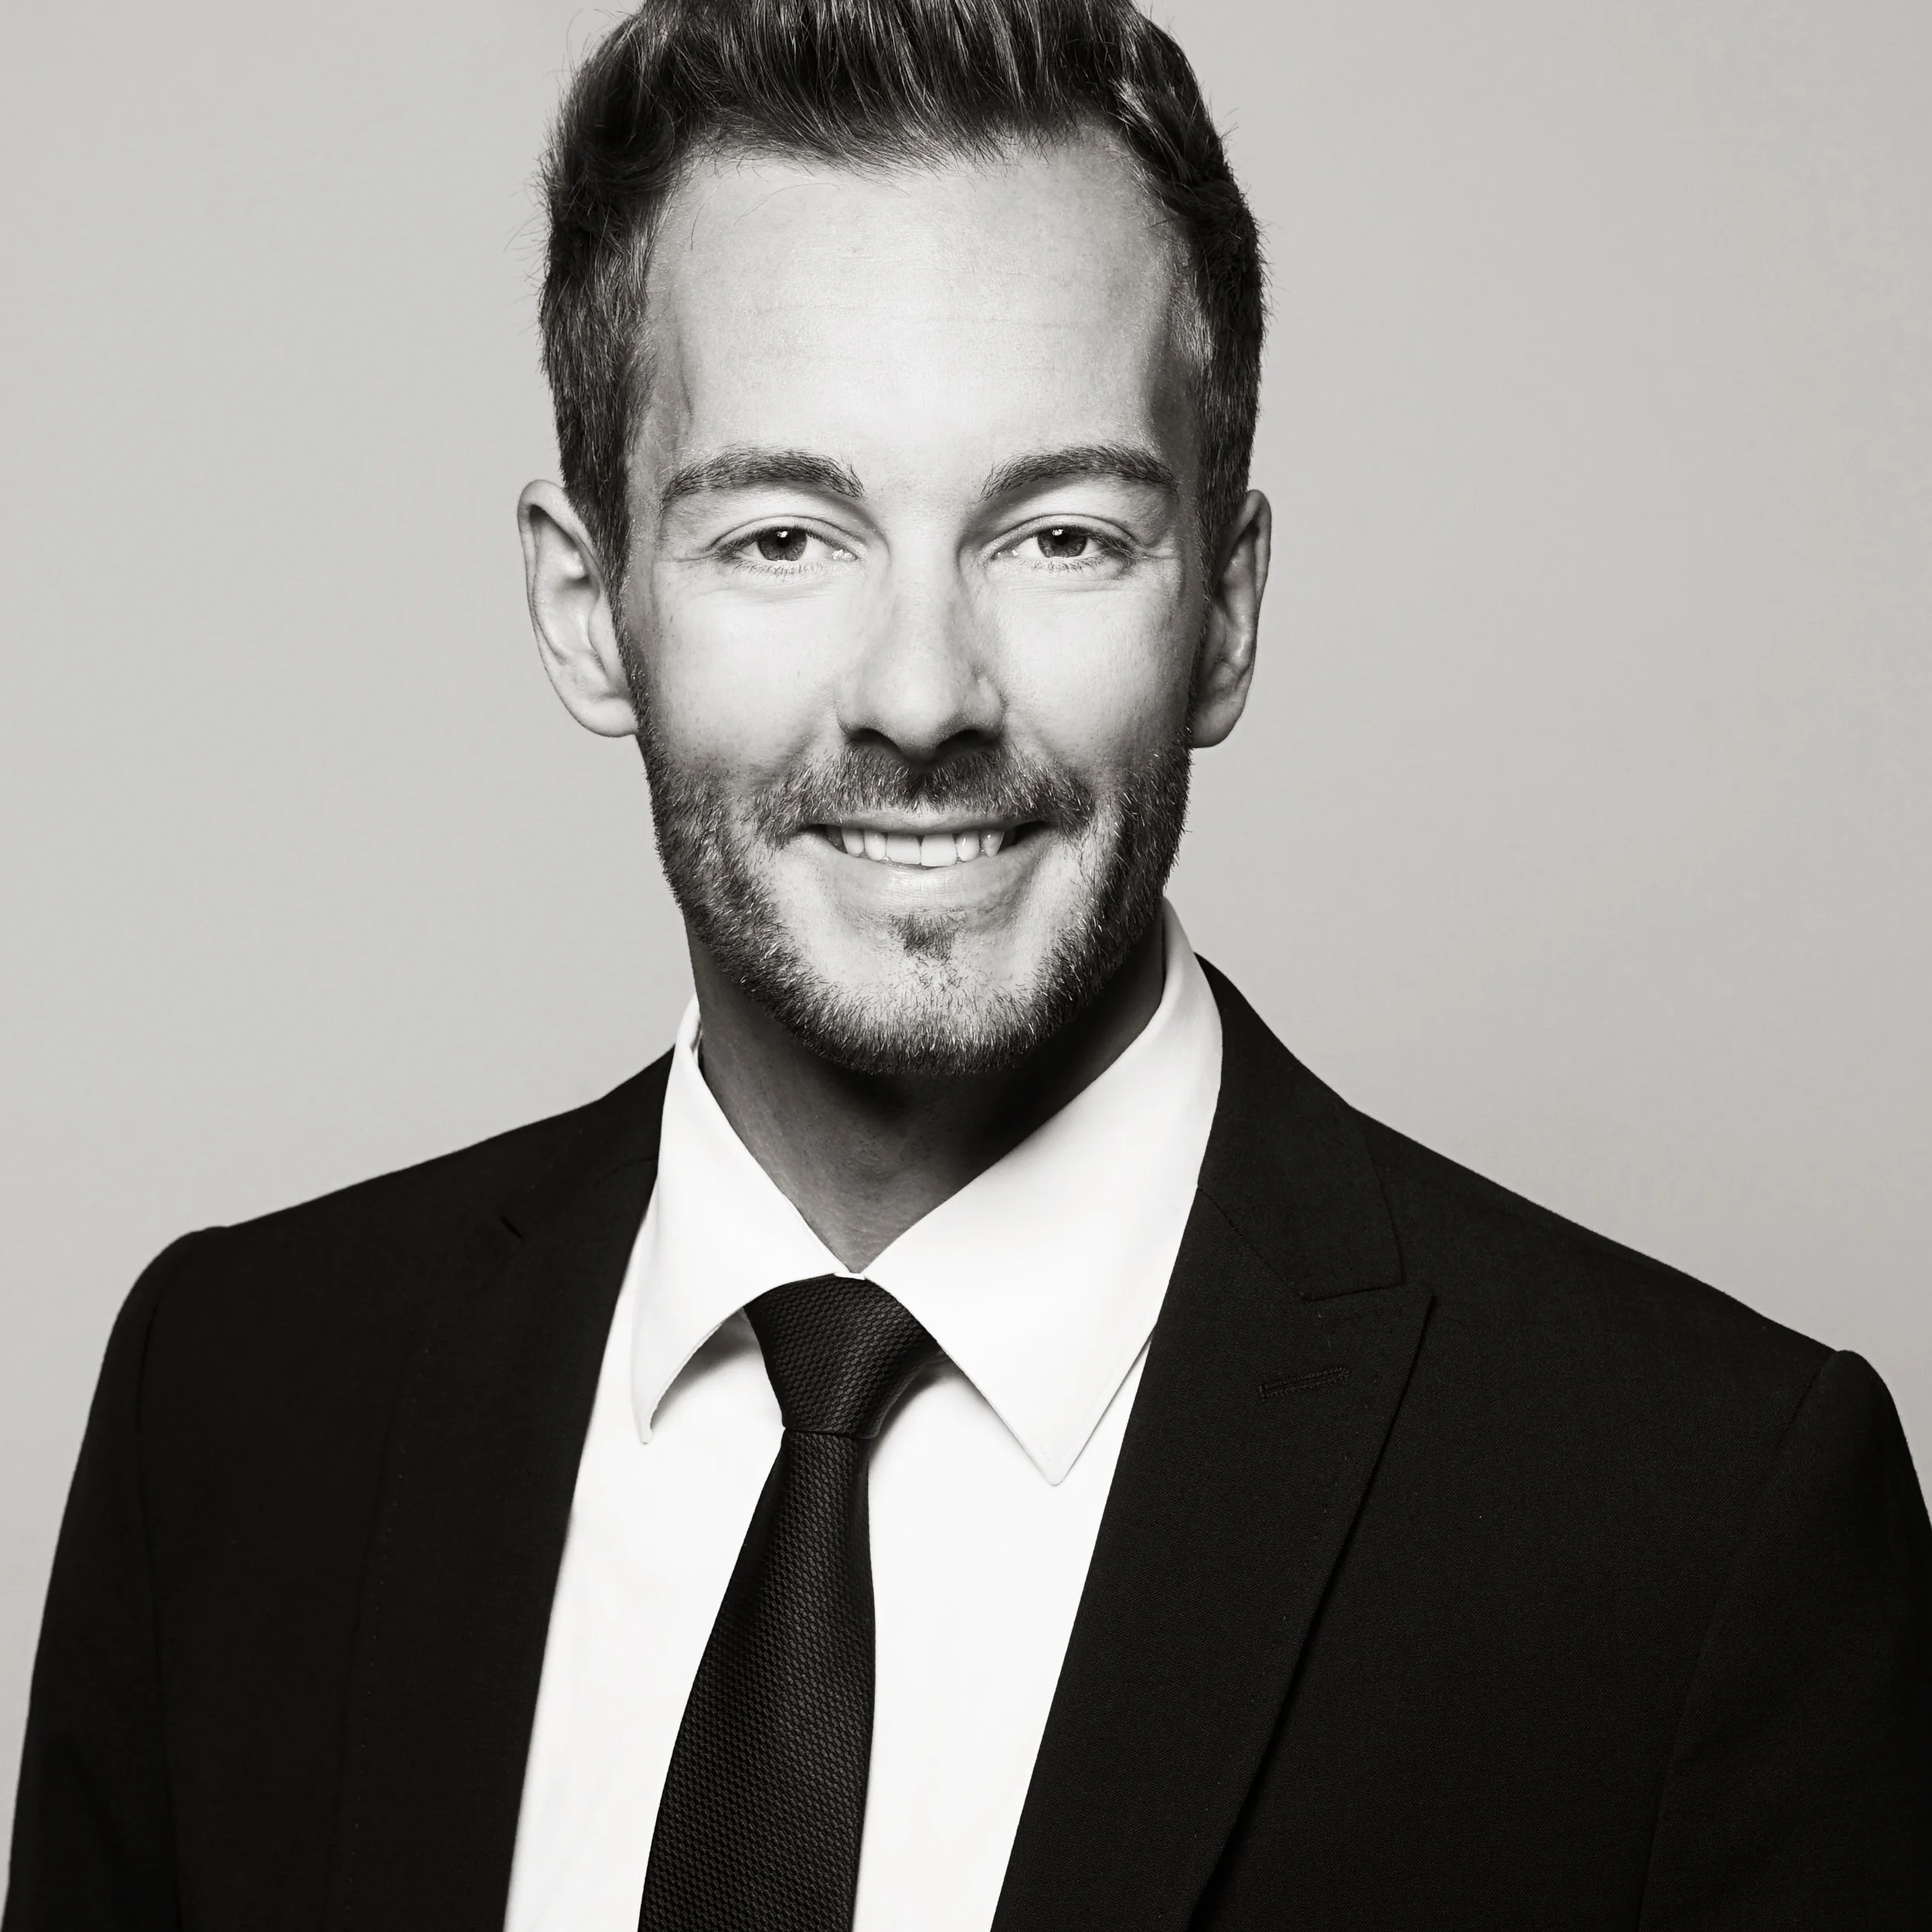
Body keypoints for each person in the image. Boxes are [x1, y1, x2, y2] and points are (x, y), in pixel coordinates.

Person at [7, 0, 1930, 1925]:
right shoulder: (238, 1410)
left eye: (1061, 535)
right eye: (780, 534)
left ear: (1228, 612)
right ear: (587, 603)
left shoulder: (1693, 1536)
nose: (921, 692)